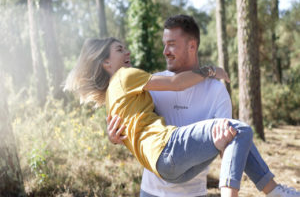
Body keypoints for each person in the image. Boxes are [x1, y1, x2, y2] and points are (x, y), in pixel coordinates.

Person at [64, 36, 300, 197]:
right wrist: (210, 71)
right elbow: (177, 83)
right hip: (167, 150)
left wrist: (216, 140)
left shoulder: (112, 100)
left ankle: (274, 190)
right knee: (241, 130)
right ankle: (272, 190)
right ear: (106, 62)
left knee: (233, 134)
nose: (127, 52)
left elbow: (128, 134)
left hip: (169, 171)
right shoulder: (125, 76)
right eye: (119, 50)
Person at [107, 14, 232, 197]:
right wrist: (114, 136)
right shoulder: (154, 84)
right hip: (150, 191)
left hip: (193, 193)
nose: (165, 51)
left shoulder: (216, 91)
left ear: (192, 46)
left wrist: (228, 191)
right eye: (164, 44)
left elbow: (227, 150)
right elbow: (136, 123)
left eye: (172, 44)